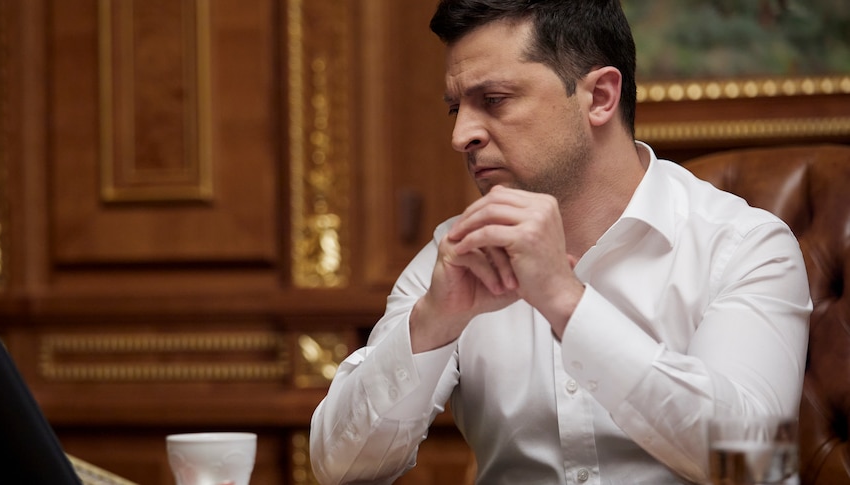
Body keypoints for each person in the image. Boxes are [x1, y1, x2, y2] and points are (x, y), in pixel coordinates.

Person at [309, 0, 811, 483]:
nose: (461, 135)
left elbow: (753, 466)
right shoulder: (455, 254)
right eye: (455, 109)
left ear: (599, 97)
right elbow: (340, 469)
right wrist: (431, 324)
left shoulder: (744, 247)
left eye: (495, 100)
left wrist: (567, 304)